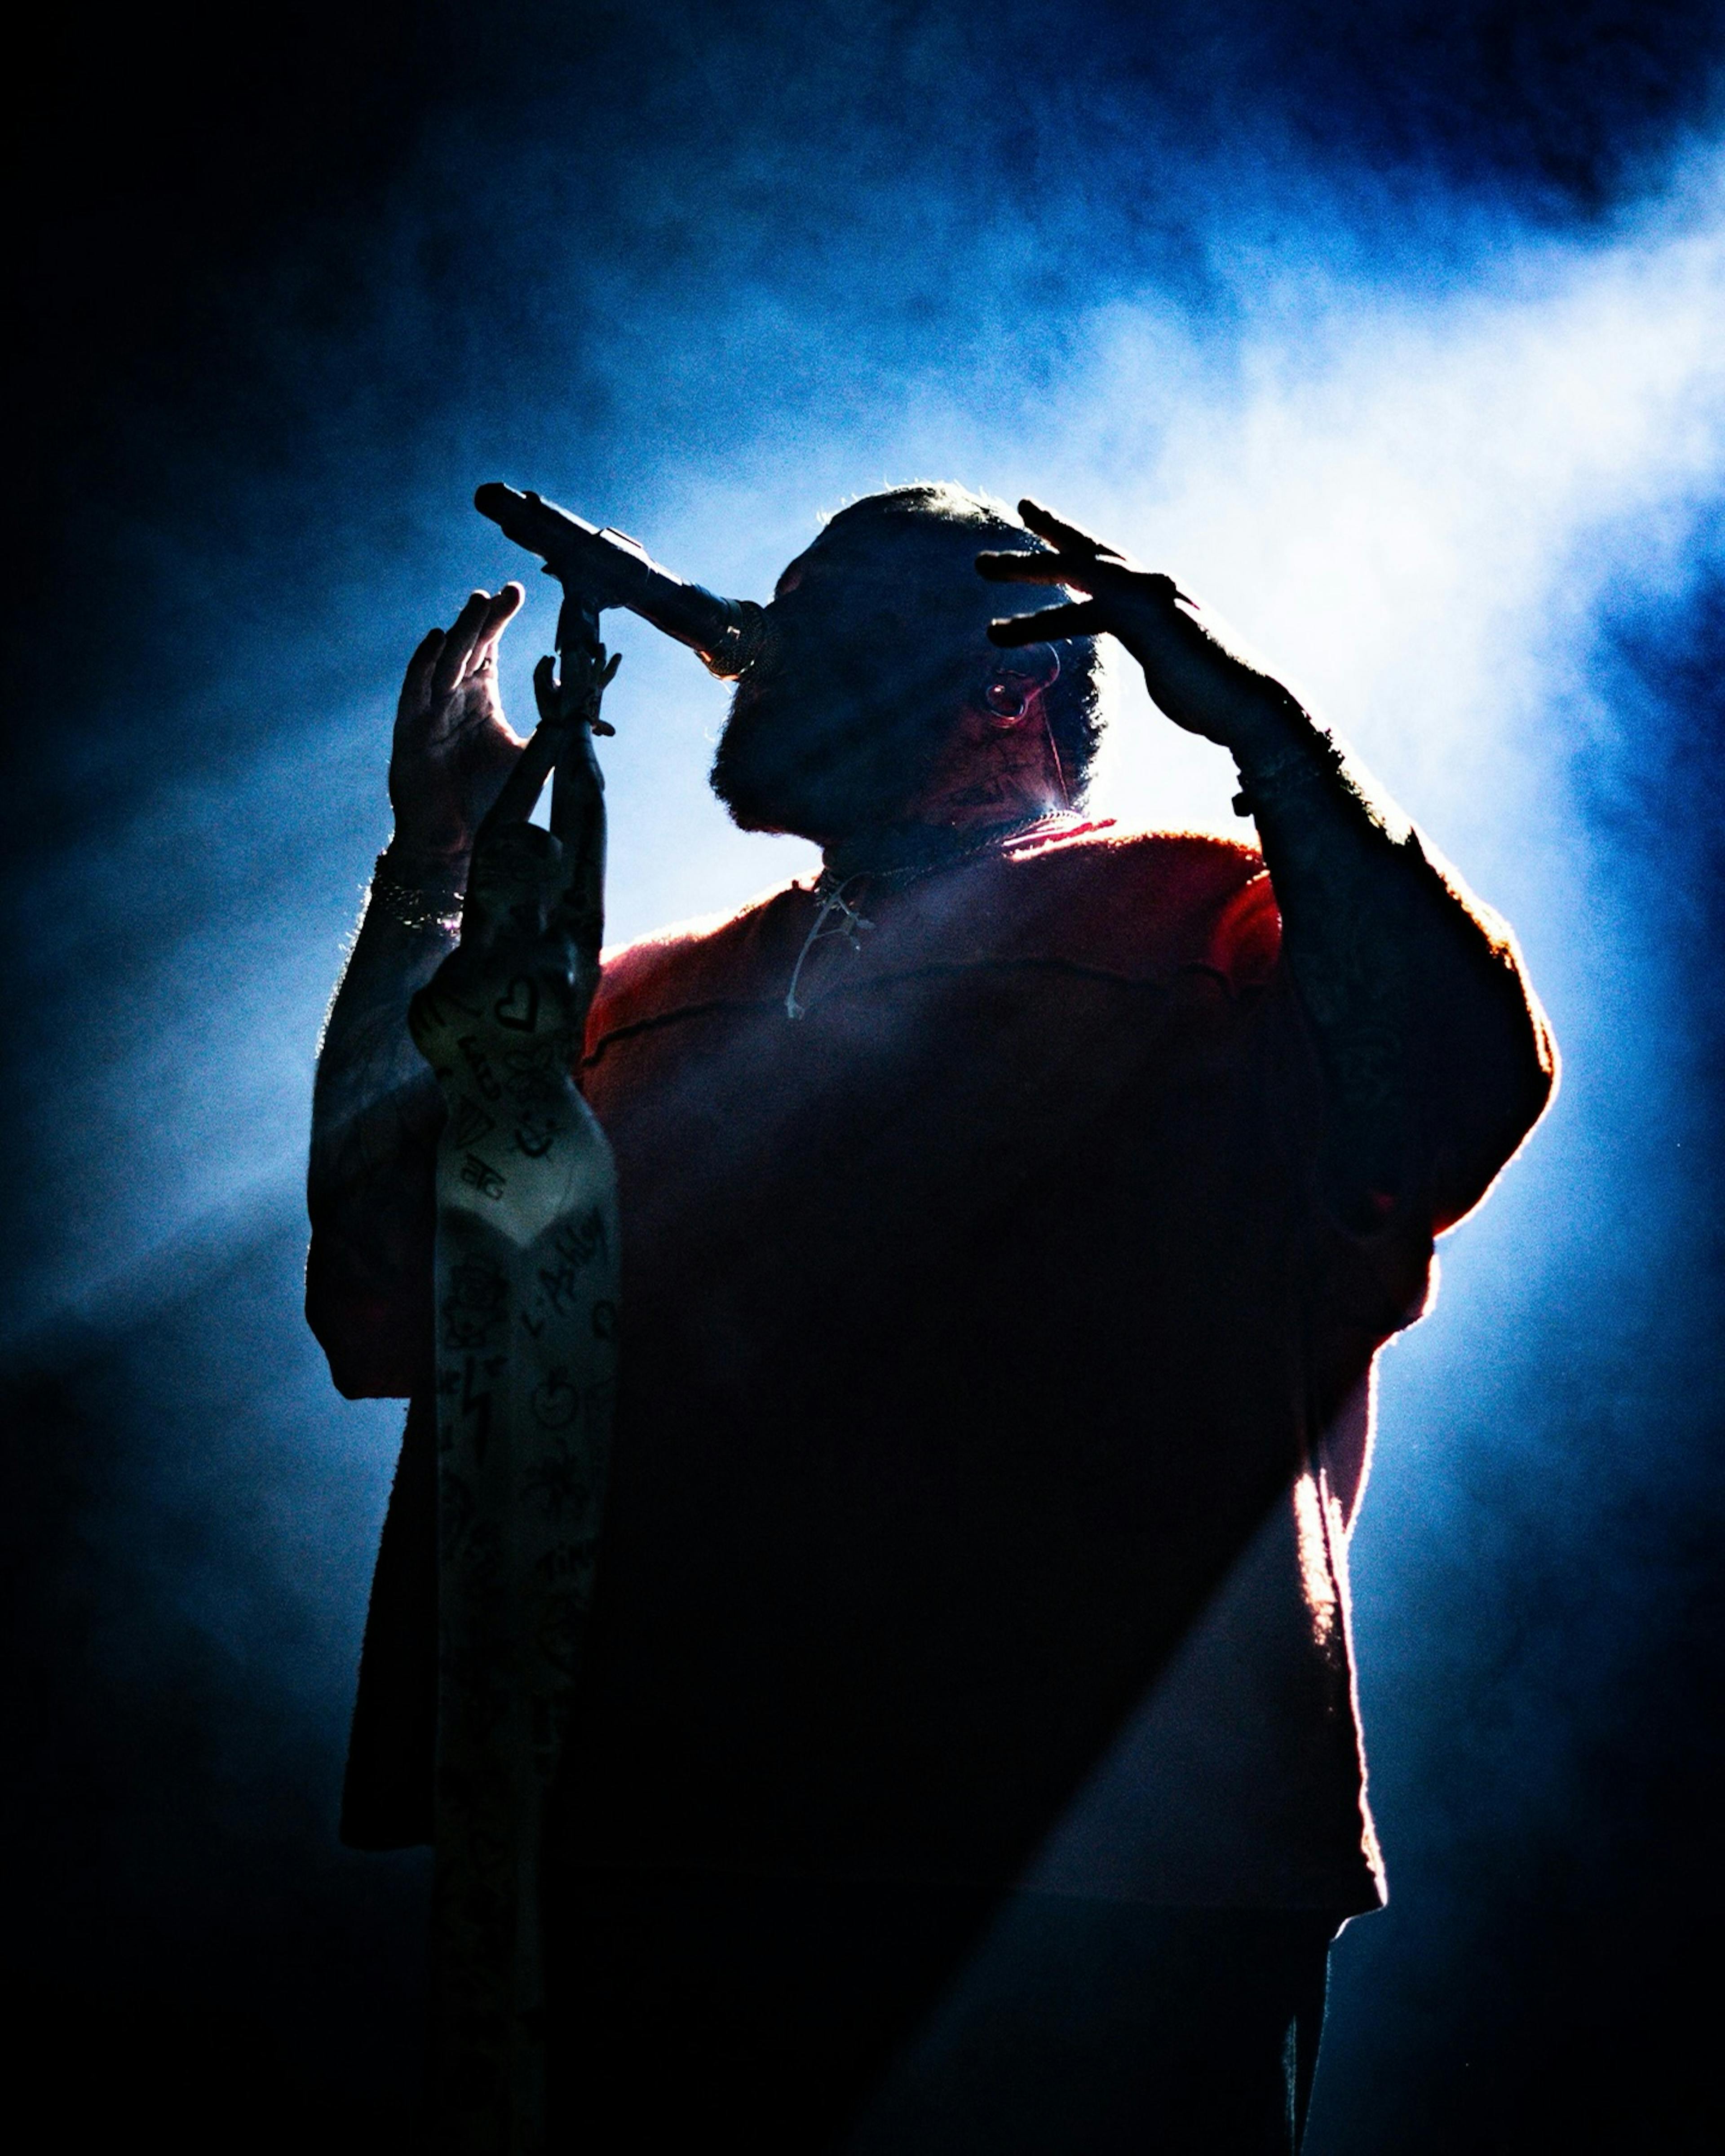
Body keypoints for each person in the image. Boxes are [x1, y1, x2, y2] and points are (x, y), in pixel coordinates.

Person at [307, 484, 1555, 2152]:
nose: (762, 652)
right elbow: (389, 1291)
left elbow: (1455, 1086)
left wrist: (1267, 731)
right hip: (665, 1857)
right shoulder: (637, 1003)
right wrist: (433, 871)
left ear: (1009, 686)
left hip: (1095, 1881)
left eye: (831, 626)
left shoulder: (1214, 921)